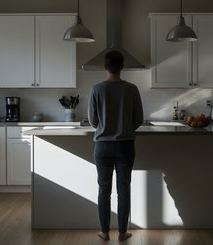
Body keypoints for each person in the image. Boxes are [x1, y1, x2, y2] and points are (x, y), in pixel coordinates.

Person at [88, 50, 144, 241]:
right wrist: (125, 128)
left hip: (102, 146)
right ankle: (122, 232)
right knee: (124, 189)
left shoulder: (96, 89)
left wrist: (105, 128)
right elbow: (139, 119)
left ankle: (104, 231)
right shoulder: (132, 89)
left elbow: (93, 121)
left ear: (105, 67)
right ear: (122, 67)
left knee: (104, 189)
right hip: (125, 145)